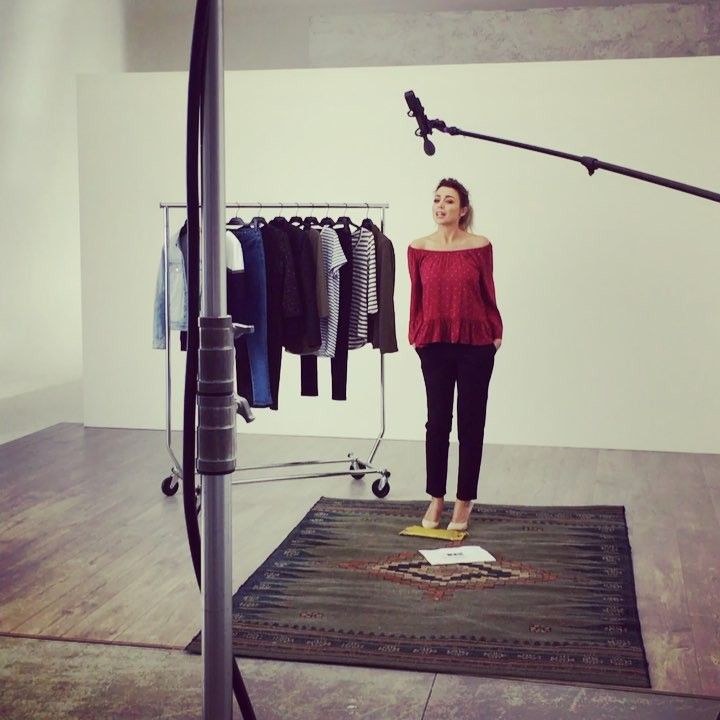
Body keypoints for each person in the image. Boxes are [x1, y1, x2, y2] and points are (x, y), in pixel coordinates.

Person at [407, 178, 503, 531]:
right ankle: (436, 497)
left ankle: (464, 500)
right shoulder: (418, 248)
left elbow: (488, 291)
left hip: (476, 343)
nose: (441, 206)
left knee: (471, 422)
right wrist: (416, 333)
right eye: (437, 200)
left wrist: (495, 332)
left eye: (449, 201)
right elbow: (416, 296)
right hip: (433, 343)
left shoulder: (480, 246)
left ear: (463, 210)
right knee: (437, 423)